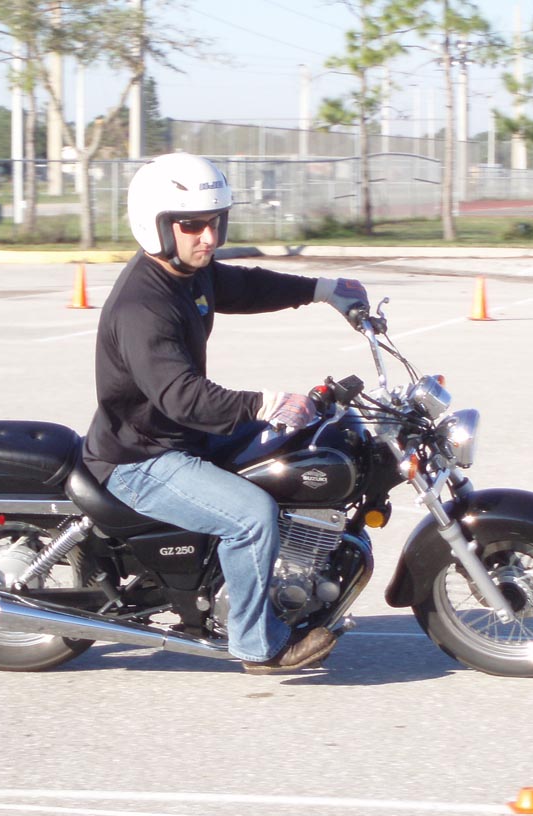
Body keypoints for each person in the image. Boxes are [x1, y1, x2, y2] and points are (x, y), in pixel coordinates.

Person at [81, 152, 369, 675]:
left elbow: (247, 285)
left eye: (216, 222)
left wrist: (324, 291)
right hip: (141, 458)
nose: (209, 237)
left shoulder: (187, 274)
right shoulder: (143, 306)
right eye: (192, 225)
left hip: (178, 436)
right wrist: (264, 402)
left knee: (289, 449)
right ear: (156, 225)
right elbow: (183, 397)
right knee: (252, 517)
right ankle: (258, 645)